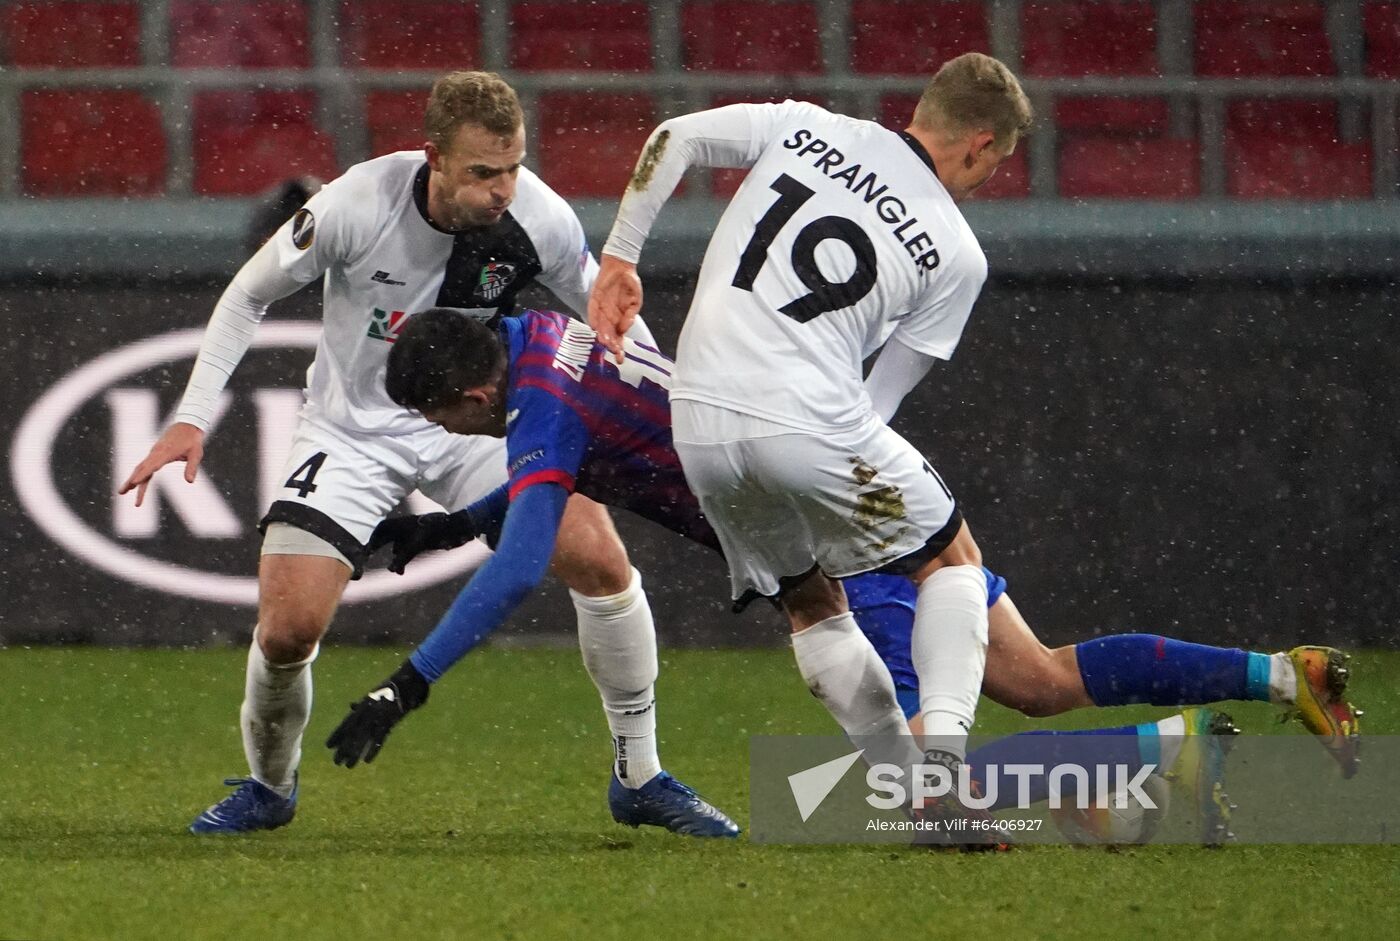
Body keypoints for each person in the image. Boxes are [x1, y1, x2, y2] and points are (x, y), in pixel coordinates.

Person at [344, 308, 1359, 831]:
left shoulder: (541, 403)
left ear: (469, 394)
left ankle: (1160, 755)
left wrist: (407, 682)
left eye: (441, 419)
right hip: (843, 483)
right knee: (1039, 677)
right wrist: (451, 527)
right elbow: (577, 462)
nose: (451, 433)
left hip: (823, 536)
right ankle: (1284, 673)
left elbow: (527, 555)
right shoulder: (543, 340)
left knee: (914, 772)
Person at [117, 71, 735, 838]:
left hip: (472, 422)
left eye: (512, 167)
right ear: (434, 158)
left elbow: (612, 321)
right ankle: (270, 786)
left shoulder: (537, 218)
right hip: (350, 432)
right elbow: (249, 293)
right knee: (287, 630)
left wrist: (671, 410)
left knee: (601, 562)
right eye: (483, 172)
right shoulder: (355, 204)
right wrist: (190, 417)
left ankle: (638, 774)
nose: (503, 189)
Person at [588, 53, 1032, 784]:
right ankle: (942, 774)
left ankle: (906, 783)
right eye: (996, 163)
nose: (986, 180)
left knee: (809, 601)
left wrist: (619, 259)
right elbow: (878, 400)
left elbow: (675, 136)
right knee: (953, 564)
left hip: (697, 421)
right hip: (807, 421)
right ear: (980, 144)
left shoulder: (807, 128)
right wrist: (829, 481)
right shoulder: (958, 254)